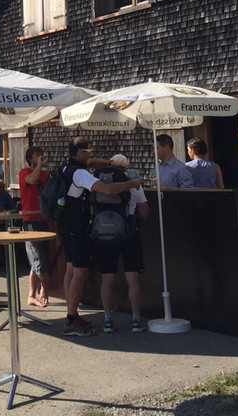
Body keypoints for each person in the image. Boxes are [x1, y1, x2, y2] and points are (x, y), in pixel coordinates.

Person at [59, 137, 142, 337]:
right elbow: (108, 189)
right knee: (80, 273)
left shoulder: (65, 167)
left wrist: (111, 163)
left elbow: (92, 161)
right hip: (78, 227)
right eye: (87, 152)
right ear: (80, 153)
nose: (90, 156)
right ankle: (71, 320)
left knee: (70, 269)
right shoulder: (80, 174)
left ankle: (70, 313)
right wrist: (131, 183)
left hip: (65, 224)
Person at [91, 154, 150, 332]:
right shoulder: (134, 184)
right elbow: (144, 213)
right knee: (132, 278)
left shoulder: (100, 184)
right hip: (129, 233)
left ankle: (107, 319)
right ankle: (136, 319)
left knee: (107, 278)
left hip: (104, 234)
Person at [18, 146, 50, 307]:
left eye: (41, 155)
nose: (41, 157)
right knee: (38, 258)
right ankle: (45, 289)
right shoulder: (24, 172)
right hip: (30, 220)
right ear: (30, 158)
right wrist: (38, 166)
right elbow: (30, 180)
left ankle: (31, 295)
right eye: (37, 155)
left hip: (43, 218)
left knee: (39, 259)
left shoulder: (45, 175)